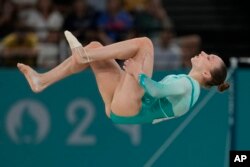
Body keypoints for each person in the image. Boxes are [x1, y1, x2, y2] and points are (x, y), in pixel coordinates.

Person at [17, 31, 229, 124]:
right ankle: (41, 80)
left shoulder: (188, 85)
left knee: (145, 43)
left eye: (208, 57)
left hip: (131, 107)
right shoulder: (188, 87)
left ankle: (83, 56)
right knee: (95, 47)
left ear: (206, 74)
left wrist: (139, 75)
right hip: (120, 109)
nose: (203, 53)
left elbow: (155, 91)